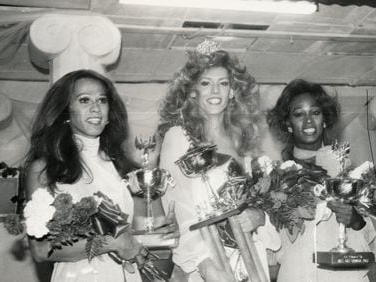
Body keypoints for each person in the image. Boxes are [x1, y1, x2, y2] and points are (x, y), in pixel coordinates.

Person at [23, 70, 178, 282]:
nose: (95, 108)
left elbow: (141, 231)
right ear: (66, 110)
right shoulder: (45, 168)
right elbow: (41, 250)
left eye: (102, 100)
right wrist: (112, 243)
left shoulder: (122, 166)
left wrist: (166, 230)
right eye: (84, 100)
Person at [157, 40, 280, 282]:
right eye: (206, 83)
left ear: (232, 91)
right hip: (208, 264)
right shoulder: (178, 137)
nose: (215, 91)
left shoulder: (241, 142)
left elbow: (254, 201)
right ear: (193, 91)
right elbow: (178, 207)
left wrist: (259, 217)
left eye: (223, 84)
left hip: (249, 258)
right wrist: (206, 266)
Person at [266, 79, 376, 282]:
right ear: (288, 125)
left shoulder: (352, 176)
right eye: (299, 114)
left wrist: (356, 220)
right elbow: (269, 254)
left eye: (315, 113)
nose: (308, 121)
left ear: (325, 120)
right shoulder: (275, 180)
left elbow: (375, 252)